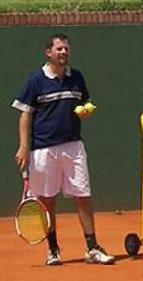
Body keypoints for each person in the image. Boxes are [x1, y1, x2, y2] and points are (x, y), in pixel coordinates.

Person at [12, 33, 115, 266]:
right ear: (48, 52)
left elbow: (84, 103)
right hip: (44, 149)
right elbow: (25, 114)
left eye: (66, 49)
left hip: (73, 146)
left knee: (83, 196)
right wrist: (23, 146)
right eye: (59, 49)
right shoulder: (36, 81)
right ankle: (53, 249)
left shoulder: (76, 77)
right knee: (47, 200)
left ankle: (92, 248)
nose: (63, 53)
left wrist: (85, 110)